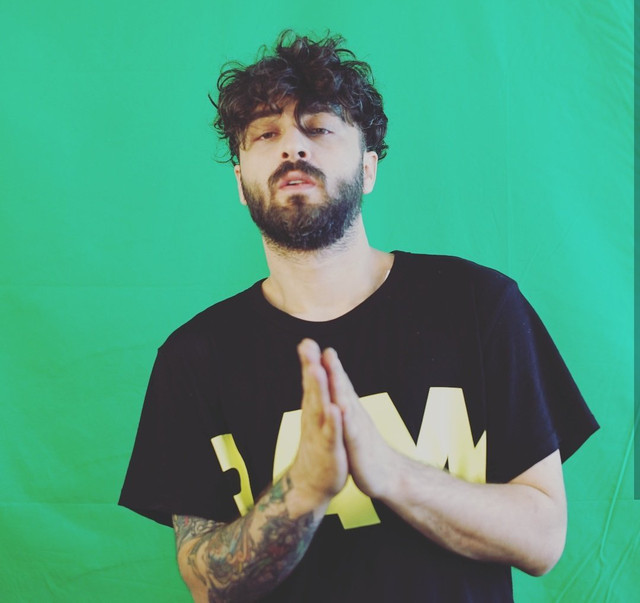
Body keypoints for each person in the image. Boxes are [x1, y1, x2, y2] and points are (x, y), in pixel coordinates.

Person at [119, 31, 599, 602]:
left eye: (320, 128)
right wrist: (302, 492)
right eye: (266, 134)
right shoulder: (194, 357)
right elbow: (204, 583)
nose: (293, 149)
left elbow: (542, 537)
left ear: (369, 169)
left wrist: (390, 472)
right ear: (241, 184)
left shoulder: (479, 305)